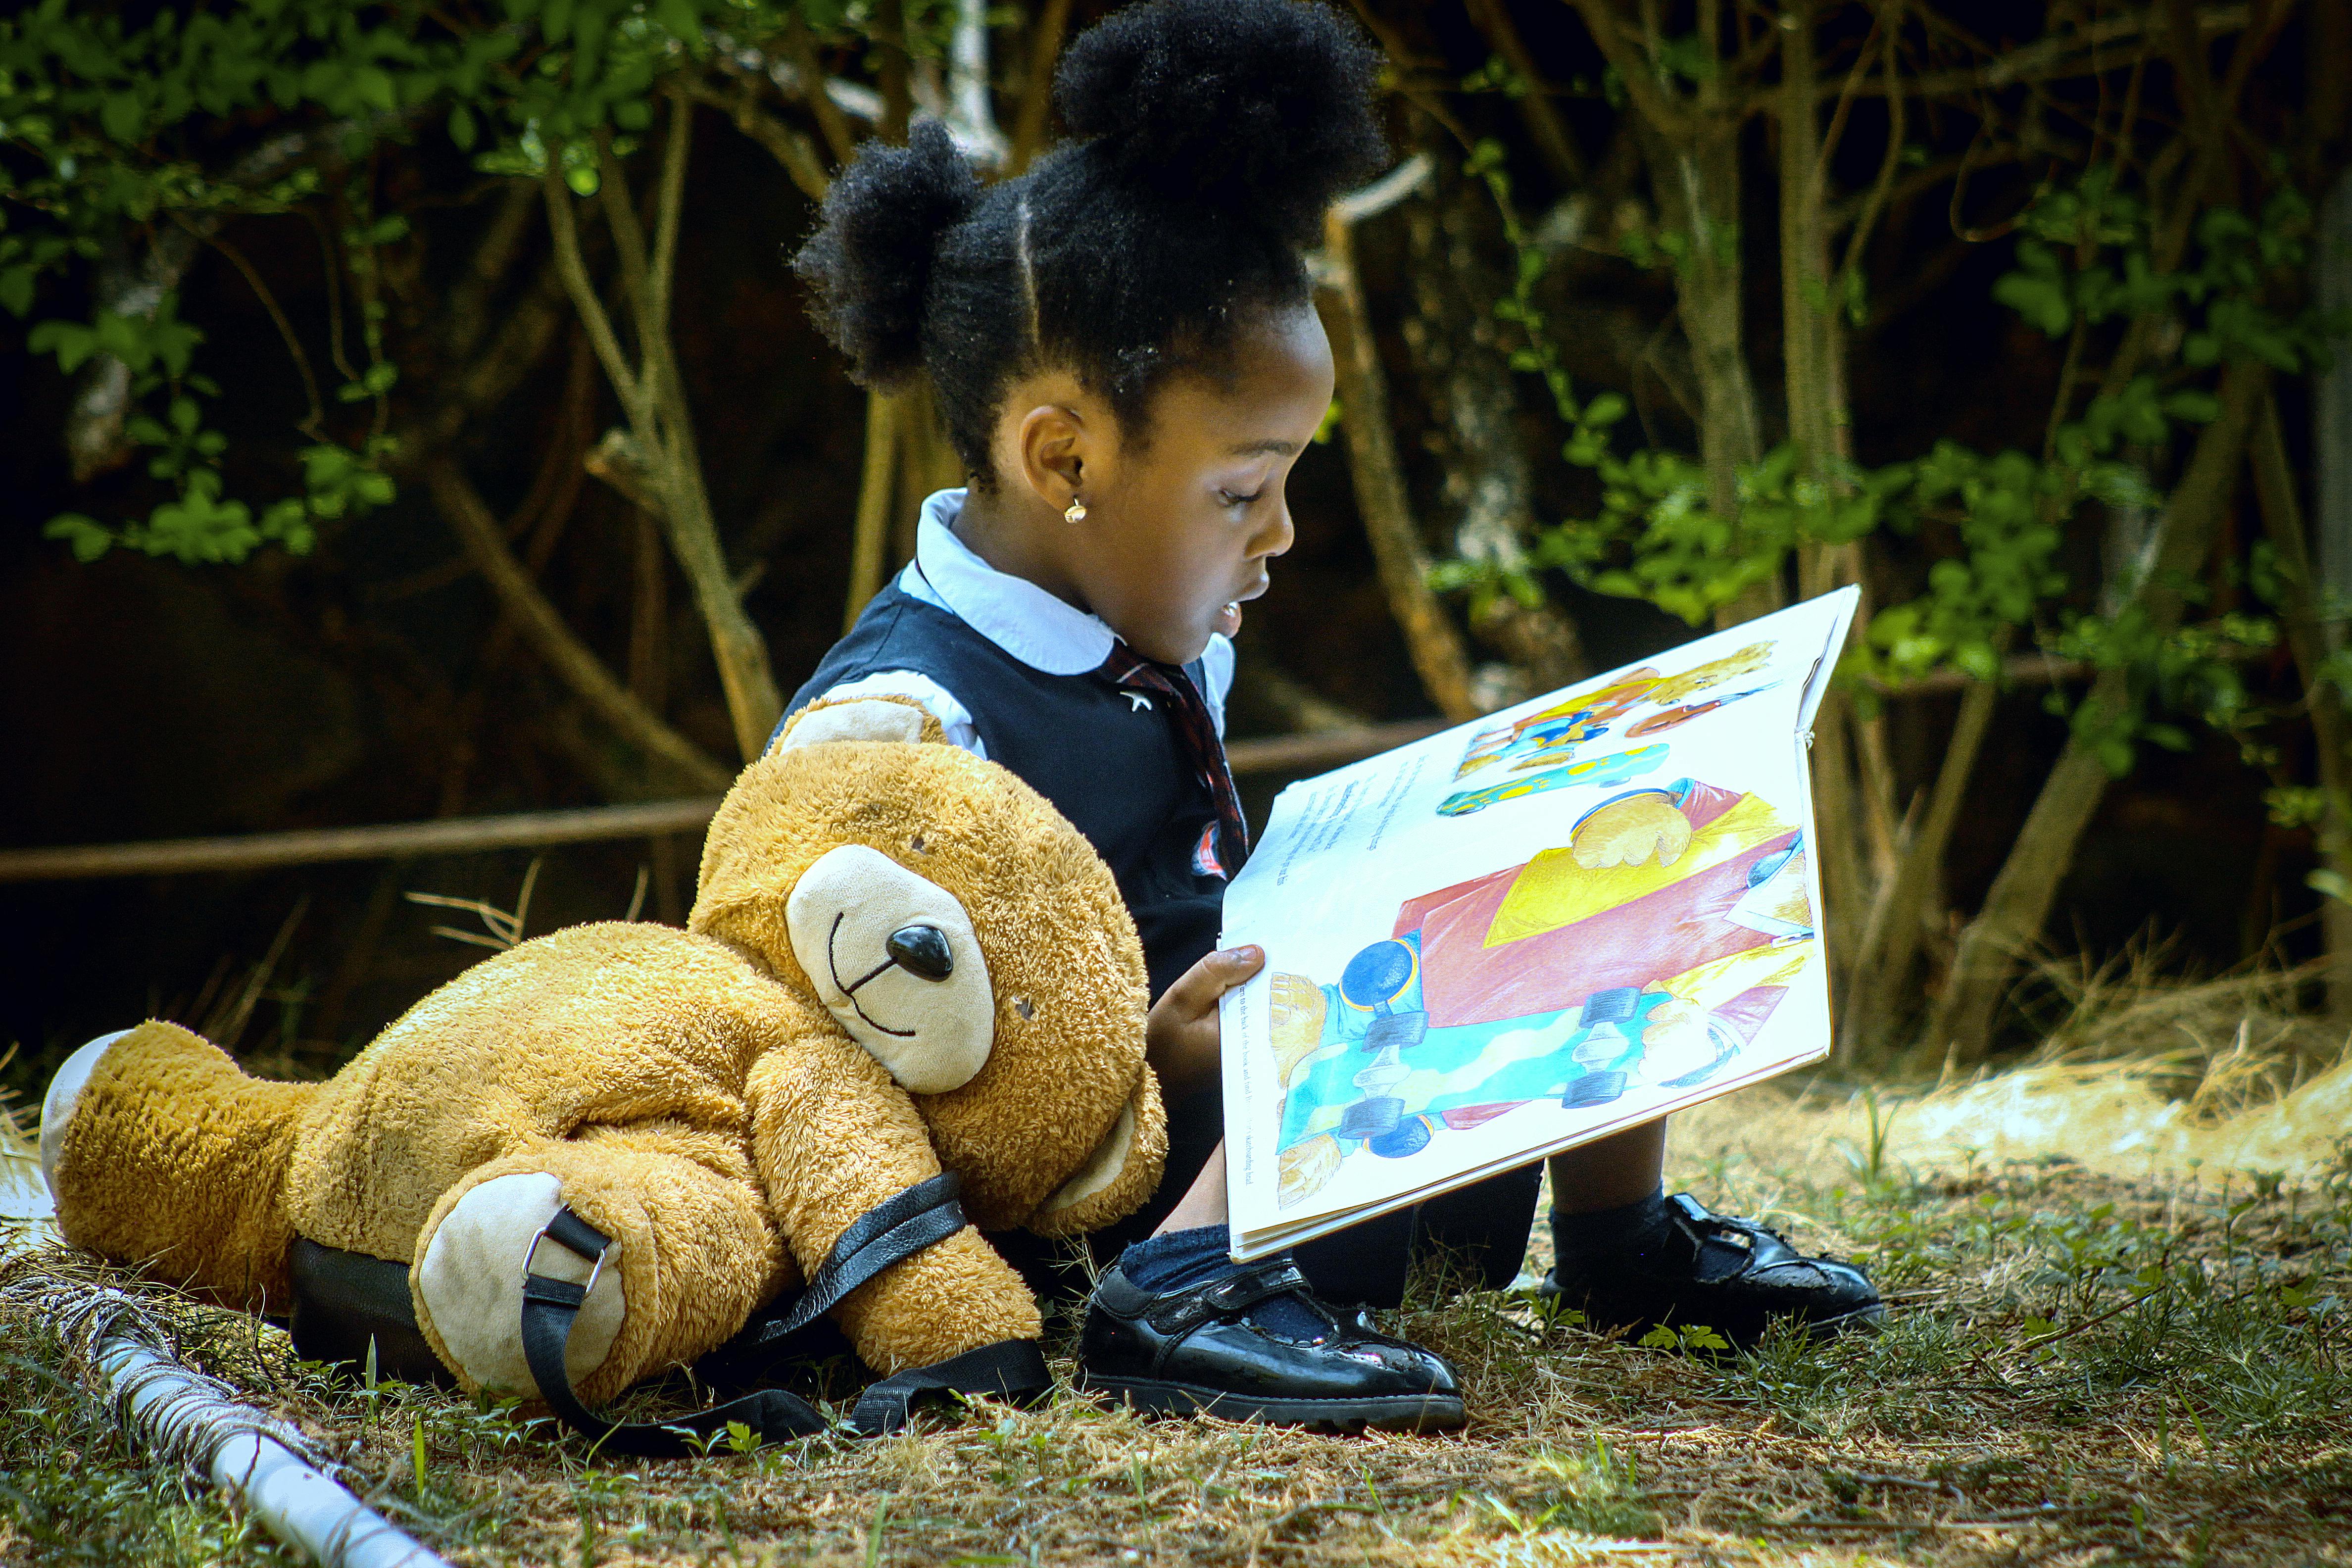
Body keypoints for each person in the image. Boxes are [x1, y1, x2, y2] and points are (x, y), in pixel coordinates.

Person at [784, 0, 1879, 1430]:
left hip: (1320, 1152)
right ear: (1064, 459)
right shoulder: (896, 729)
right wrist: (1155, 1065)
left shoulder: (1160, 634)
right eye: (1243, 490)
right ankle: (1181, 1306)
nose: (1283, 534)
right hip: (1116, 1212)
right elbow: (860, 1084)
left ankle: (1621, 1239)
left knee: (1600, 827)